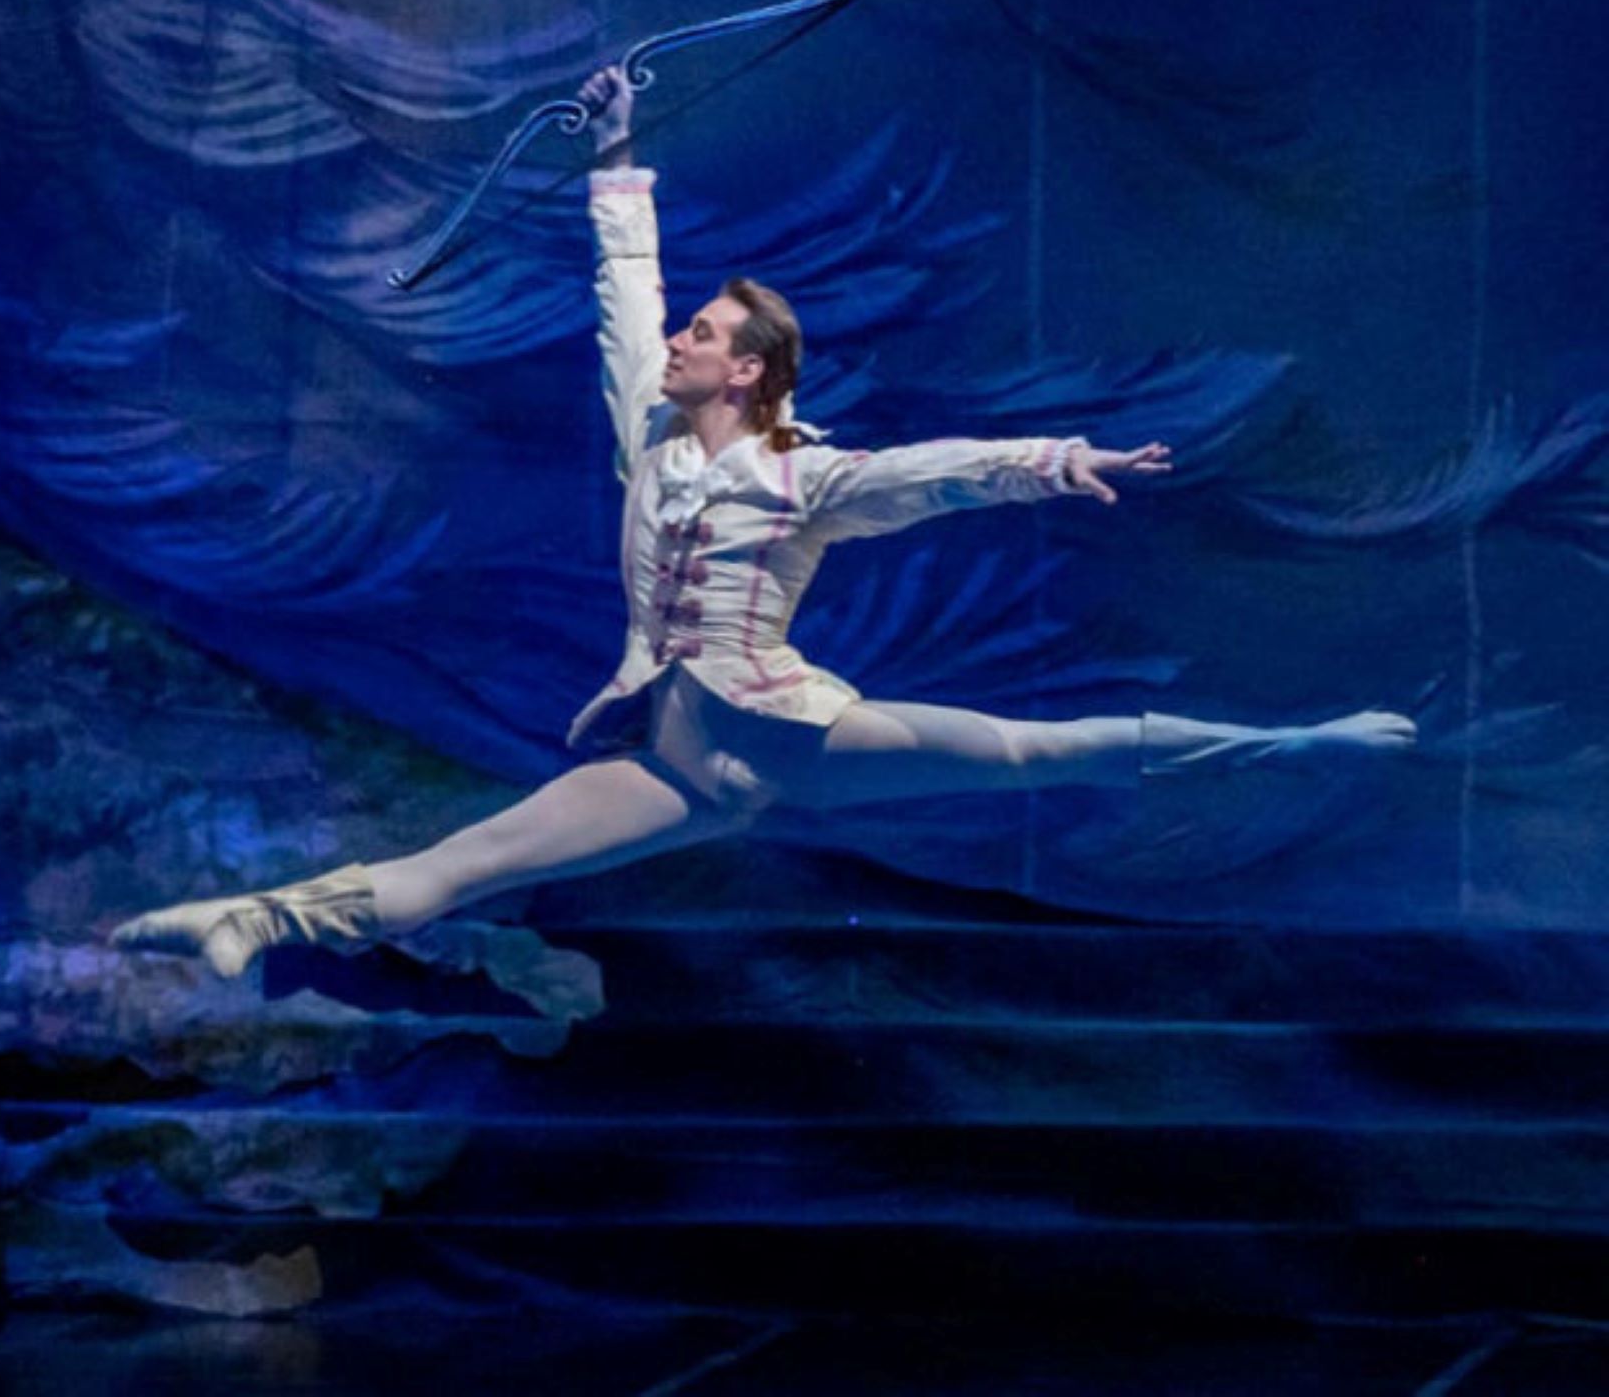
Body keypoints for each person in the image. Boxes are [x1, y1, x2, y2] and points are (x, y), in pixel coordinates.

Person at [112, 67, 1414, 979]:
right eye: (688, 331)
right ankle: (256, 920)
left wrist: (1057, 456)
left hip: (786, 733)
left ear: (749, 370)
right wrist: (617, 162)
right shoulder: (652, 438)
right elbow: (629, 303)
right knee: (465, 861)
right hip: (677, 763)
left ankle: (1300, 738)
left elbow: (938, 471)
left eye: (703, 336)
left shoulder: (809, 477)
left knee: (1036, 753)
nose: (678, 343)